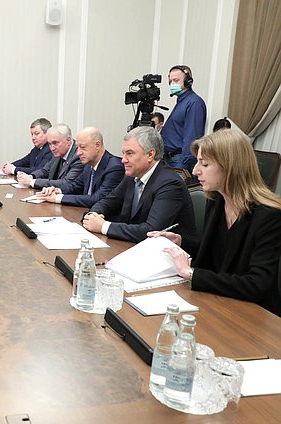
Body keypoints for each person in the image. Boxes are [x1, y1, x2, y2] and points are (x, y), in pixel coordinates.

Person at [150, 130, 281, 317]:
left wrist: (192, 274)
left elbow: (256, 284)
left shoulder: (268, 215)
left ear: (230, 167)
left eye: (204, 164)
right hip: (218, 302)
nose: (195, 171)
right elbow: (214, 254)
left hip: (254, 316)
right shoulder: (216, 201)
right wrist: (180, 241)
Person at [83, 126, 197, 243]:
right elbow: (108, 201)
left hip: (169, 255)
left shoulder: (170, 184)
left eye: (130, 153)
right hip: (134, 246)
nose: (123, 160)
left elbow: (152, 231)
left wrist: (103, 226)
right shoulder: (132, 176)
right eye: (124, 153)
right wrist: (93, 215)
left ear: (150, 154)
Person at [36, 127, 124, 207]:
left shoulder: (114, 168)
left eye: (83, 147)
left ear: (97, 145)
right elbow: (74, 186)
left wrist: (57, 198)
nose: (78, 153)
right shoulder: (88, 165)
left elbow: (97, 199)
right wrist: (56, 190)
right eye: (77, 148)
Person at [161, 65, 207, 173]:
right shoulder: (182, 102)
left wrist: (181, 169)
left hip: (179, 161)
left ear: (188, 81)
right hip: (170, 159)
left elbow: (192, 139)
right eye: (170, 81)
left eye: (176, 80)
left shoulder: (194, 103)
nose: (172, 84)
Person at [16, 123, 83, 190]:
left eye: (55, 143)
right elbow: (45, 171)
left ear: (68, 141)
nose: (52, 148)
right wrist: (31, 176)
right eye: (49, 144)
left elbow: (66, 183)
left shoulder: (78, 155)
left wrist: (32, 182)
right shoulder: (59, 152)